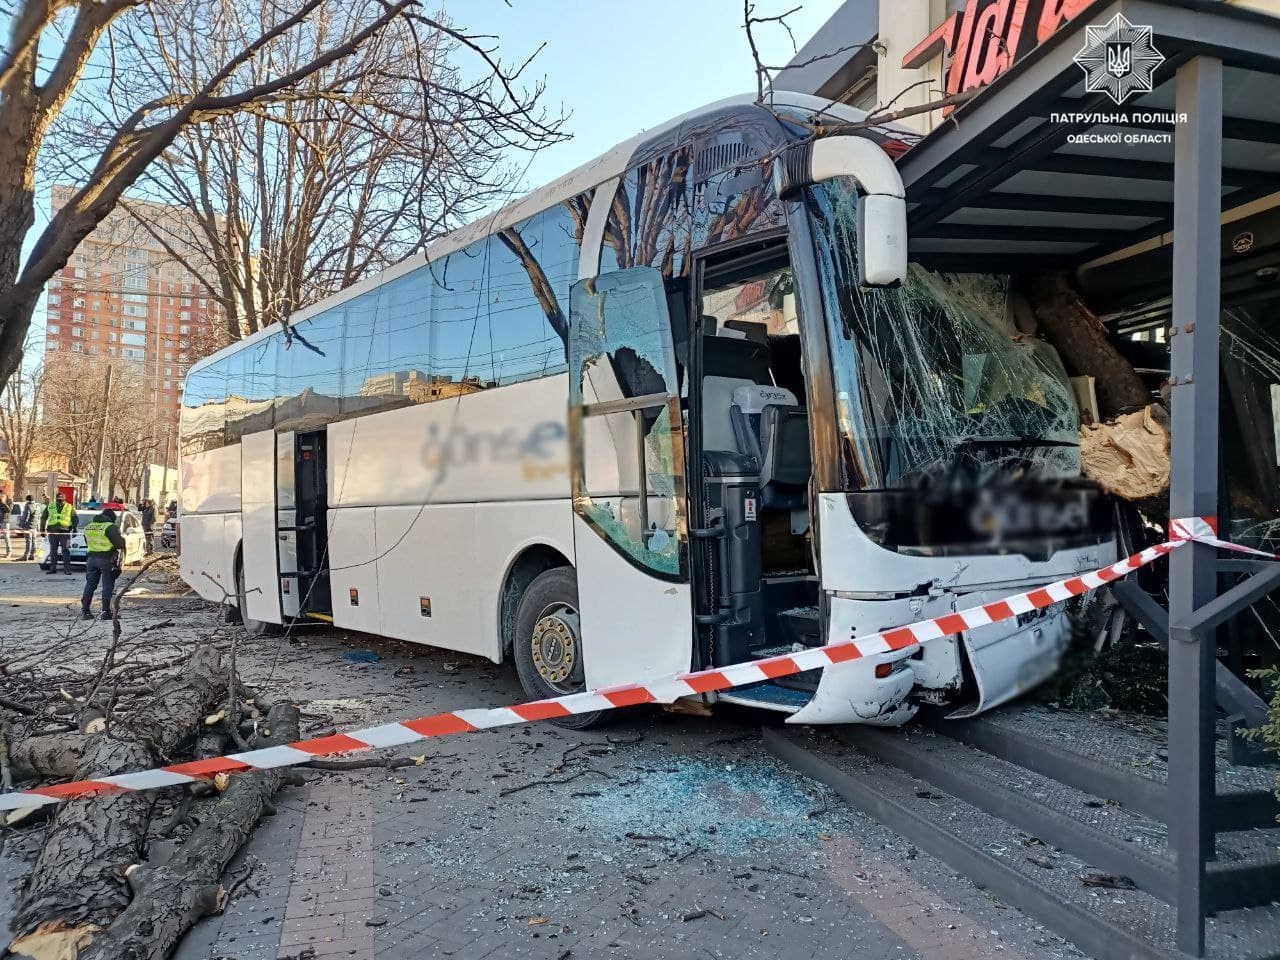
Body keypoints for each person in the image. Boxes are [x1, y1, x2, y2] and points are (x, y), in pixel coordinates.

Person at [81, 507, 125, 620]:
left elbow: (87, 542)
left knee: (90, 585)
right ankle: (106, 612)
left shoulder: (88, 527)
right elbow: (119, 544)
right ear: (111, 518)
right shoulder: (110, 527)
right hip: (107, 559)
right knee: (107, 586)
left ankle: (85, 612)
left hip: (91, 559)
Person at [40, 491, 76, 574]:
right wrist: (42, 529)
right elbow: (43, 518)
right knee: (54, 550)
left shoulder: (69, 507)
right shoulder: (50, 506)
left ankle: (66, 569)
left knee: (65, 550)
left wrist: (75, 529)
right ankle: (53, 569)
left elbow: (74, 518)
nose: (60, 502)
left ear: (64, 499)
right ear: (56, 499)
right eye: (58, 500)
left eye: (61, 500)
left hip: (65, 532)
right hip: (54, 532)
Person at [17, 495, 38, 561]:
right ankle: (32, 555)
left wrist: (21, 525)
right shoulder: (37, 506)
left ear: (27, 500)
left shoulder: (28, 506)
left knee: (28, 541)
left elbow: (25, 517)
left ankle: (26, 555)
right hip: (34, 526)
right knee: (34, 541)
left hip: (28, 527)